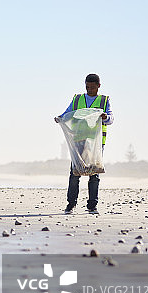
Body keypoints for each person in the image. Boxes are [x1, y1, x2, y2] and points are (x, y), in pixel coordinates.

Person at [54, 72, 113, 215]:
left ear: (98, 86)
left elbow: (111, 119)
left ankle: (92, 206)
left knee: (94, 174)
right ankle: (71, 205)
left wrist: (105, 117)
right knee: (75, 172)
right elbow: (68, 112)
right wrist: (60, 118)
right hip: (79, 140)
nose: (89, 90)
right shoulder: (78, 99)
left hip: (96, 143)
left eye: (92, 87)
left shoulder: (104, 101)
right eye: (87, 87)